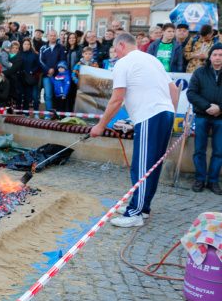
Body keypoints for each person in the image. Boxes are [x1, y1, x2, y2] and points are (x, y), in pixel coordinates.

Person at [90, 32, 179, 227]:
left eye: (115, 49)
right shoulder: (152, 60)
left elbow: (117, 98)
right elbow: (174, 90)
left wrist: (100, 125)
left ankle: (134, 214)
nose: (115, 54)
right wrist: (170, 112)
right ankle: (142, 207)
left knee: (142, 166)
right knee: (153, 165)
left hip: (150, 116)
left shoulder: (123, 63)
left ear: (121, 45)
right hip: (165, 114)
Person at [186, 43, 222, 194]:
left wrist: (219, 108)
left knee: (219, 151)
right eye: (215, 54)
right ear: (210, 56)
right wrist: (208, 106)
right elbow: (191, 93)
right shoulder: (200, 72)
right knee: (199, 149)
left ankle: (213, 181)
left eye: (221, 55)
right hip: (202, 116)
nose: (218, 58)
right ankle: (200, 179)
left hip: (221, 118)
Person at [38, 30, 65, 115]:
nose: (53, 37)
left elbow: (62, 60)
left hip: (58, 75)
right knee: (48, 95)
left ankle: (57, 114)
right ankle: (48, 114)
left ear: (56, 36)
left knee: (58, 95)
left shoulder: (60, 47)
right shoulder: (43, 47)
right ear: (48, 36)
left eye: (54, 35)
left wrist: (53, 69)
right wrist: (48, 70)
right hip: (47, 75)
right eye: (51, 35)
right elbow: (40, 60)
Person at [18, 38, 40, 112]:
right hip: (21, 78)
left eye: (28, 44)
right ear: (22, 45)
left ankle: (27, 112)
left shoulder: (34, 55)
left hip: (30, 78)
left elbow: (38, 66)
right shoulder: (19, 54)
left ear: (30, 45)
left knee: (29, 96)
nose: (26, 46)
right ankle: (19, 112)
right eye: (25, 44)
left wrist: (32, 71)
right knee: (20, 95)